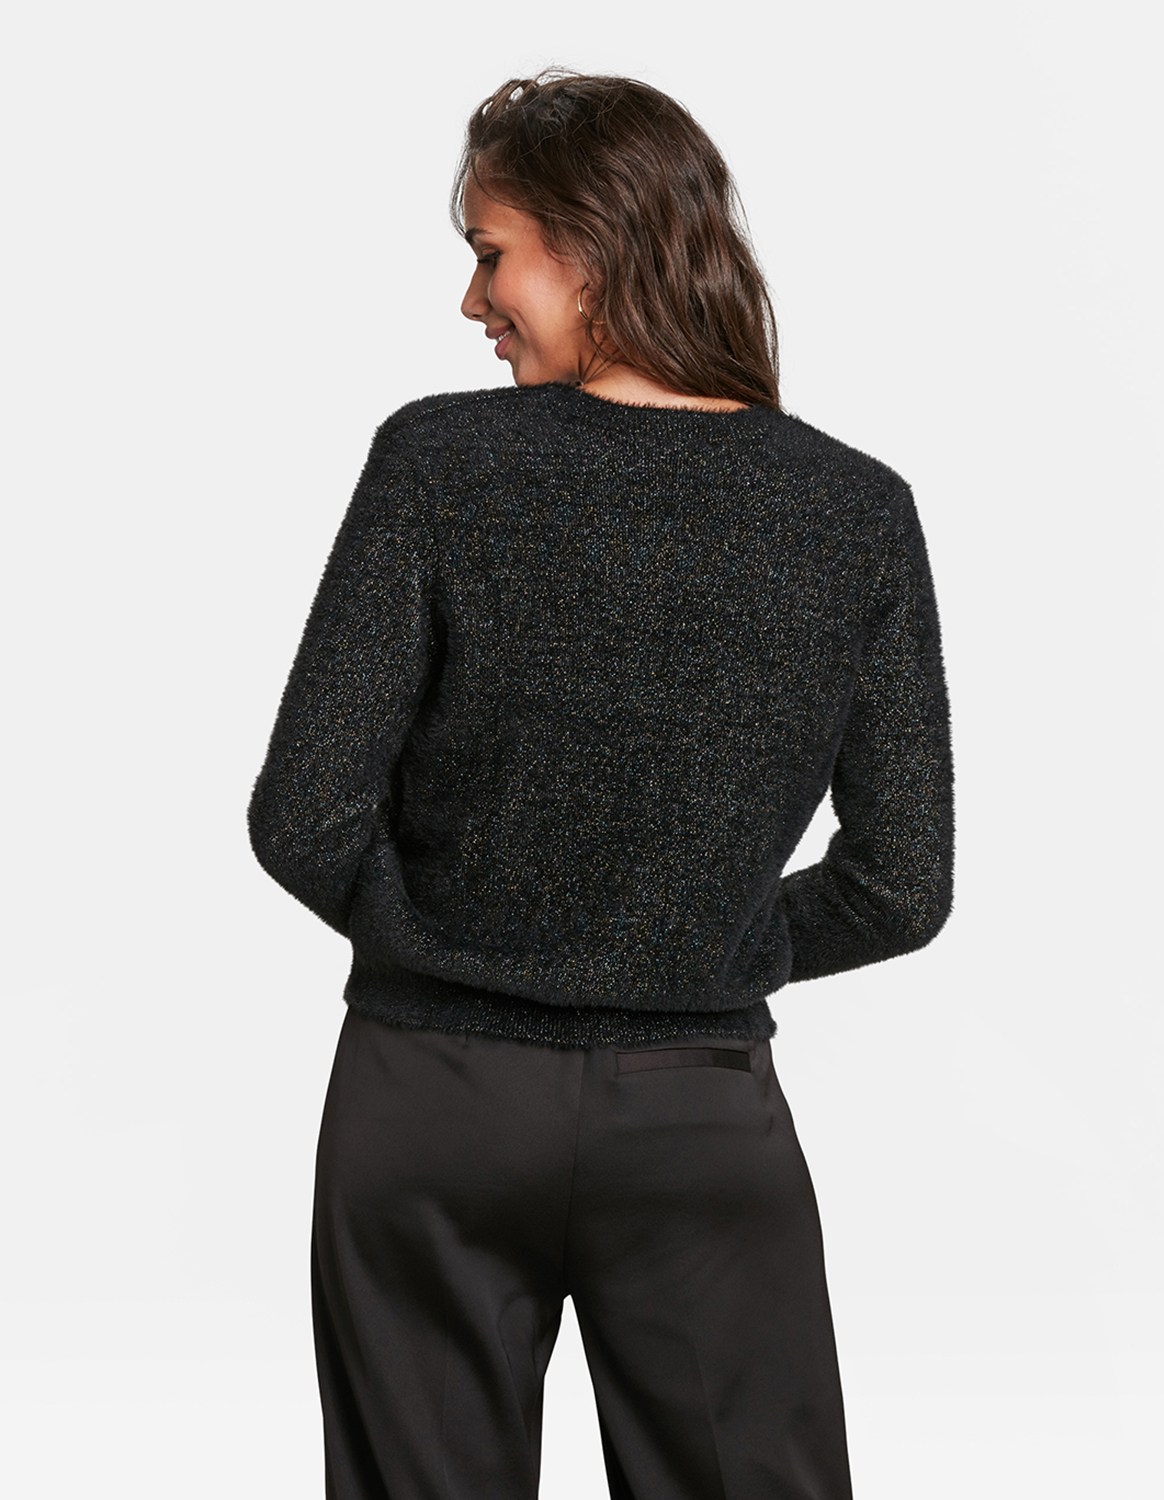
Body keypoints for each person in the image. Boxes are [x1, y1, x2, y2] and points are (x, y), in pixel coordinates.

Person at [247, 67, 953, 1500]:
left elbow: (303, 814)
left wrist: (451, 947)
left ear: (589, 243)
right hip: (699, 1109)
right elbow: (902, 884)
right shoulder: (852, 511)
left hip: (429, 1098)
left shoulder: (441, 461)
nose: (471, 300)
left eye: (488, 253)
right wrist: (699, 946)